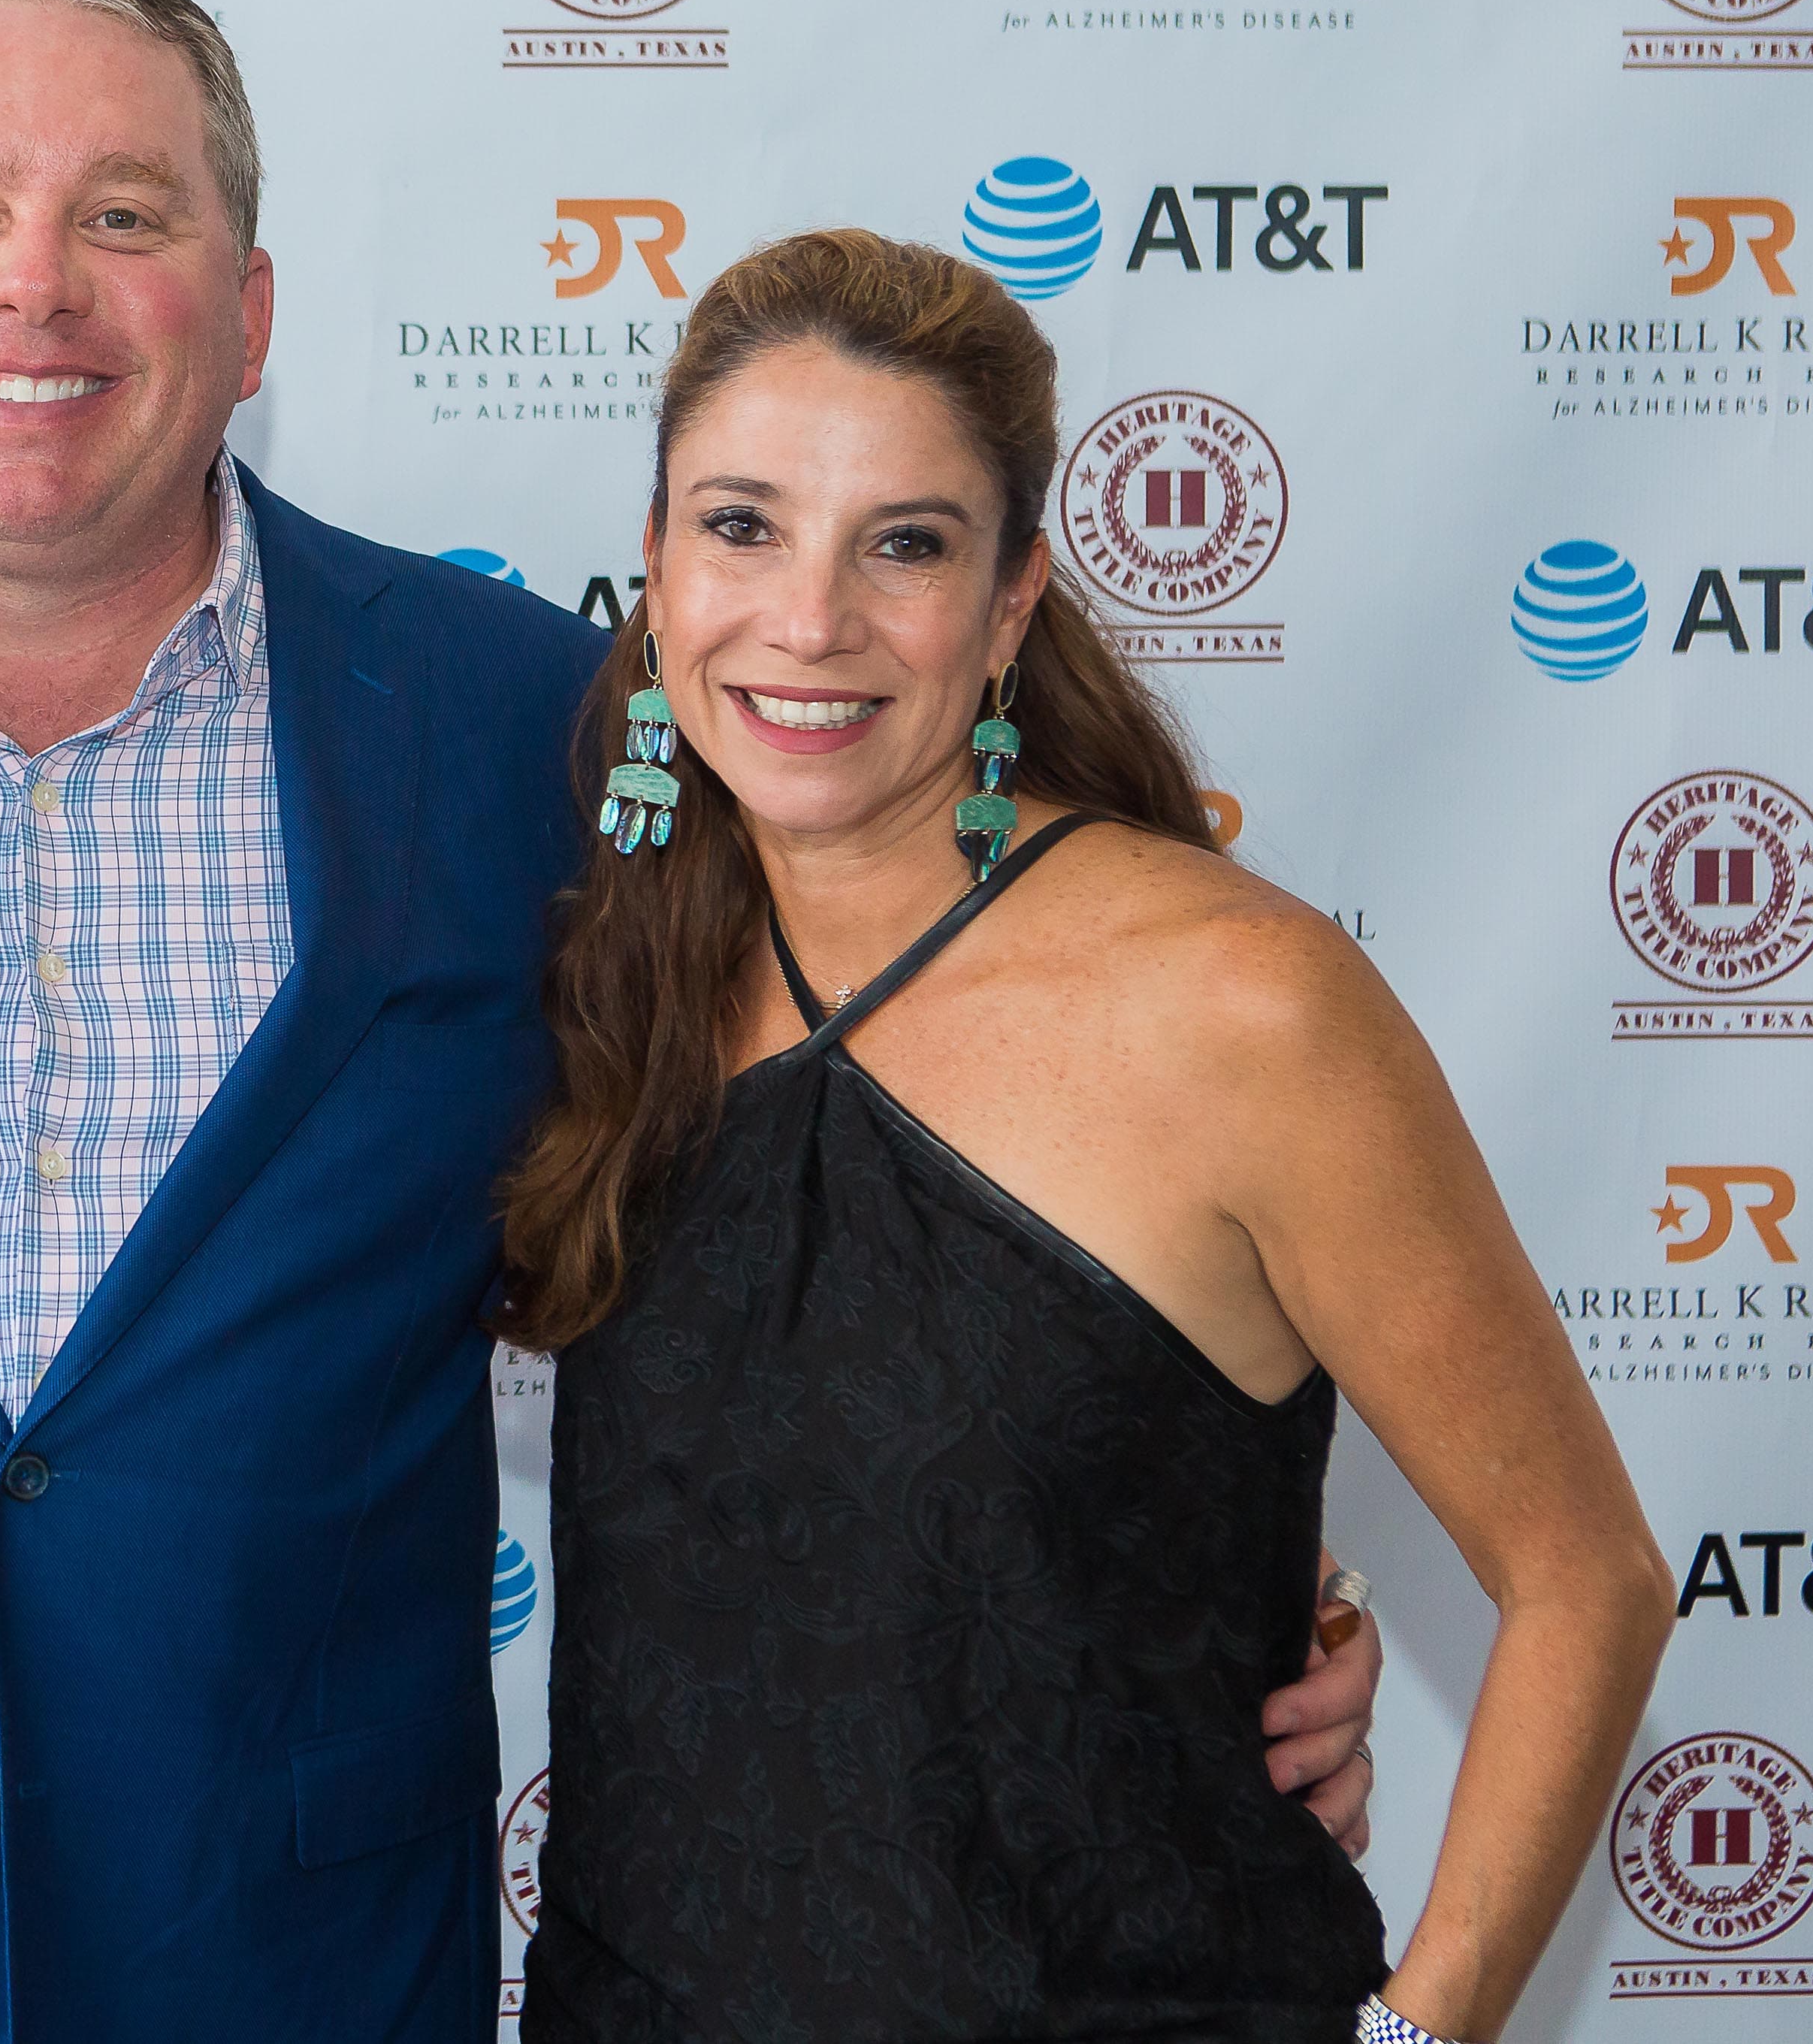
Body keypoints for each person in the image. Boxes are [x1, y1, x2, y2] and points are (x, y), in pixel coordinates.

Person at [0, 0, 1384, 2040]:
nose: (36, 282)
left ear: (251, 311)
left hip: (306, 1966)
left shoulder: (528, 726)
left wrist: (1205, 1565)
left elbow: (881, 1159)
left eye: (126, 213)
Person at [497, 230, 1676, 2043]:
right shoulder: (611, 954)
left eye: (904, 543)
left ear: (1011, 600)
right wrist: (1250, 1571)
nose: (807, 619)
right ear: (654, 564)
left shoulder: (1241, 1004)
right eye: (742, 526)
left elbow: (1586, 1578)